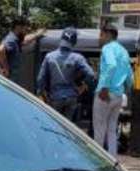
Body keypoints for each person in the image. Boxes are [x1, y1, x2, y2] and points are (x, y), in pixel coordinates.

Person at [36, 27, 96, 122]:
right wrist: (82, 87)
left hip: (55, 97)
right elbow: (91, 74)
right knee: (67, 125)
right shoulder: (77, 58)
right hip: (71, 97)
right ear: (74, 41)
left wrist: (40, 93)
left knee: (55, 124)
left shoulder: (49, 56)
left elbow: (41, 78)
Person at [92, 23, 133, 158]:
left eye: (101, 34)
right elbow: (129, 75)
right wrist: (127, 90)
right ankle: (113, 159)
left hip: (105, 93)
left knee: (99, 129)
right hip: (118, 95)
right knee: (111, 130)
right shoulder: (124, 51)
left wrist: (104, 87)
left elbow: (111, 65)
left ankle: (98, 161)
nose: (99, 38)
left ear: (108, 35)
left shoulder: (107, 48)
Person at [0, 17, 45, 84]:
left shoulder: (16, 39)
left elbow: (25, 40)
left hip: (10, 78)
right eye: (25, 28)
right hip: (7, 79)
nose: (27, 30)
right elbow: (0, 50)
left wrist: (37, 34)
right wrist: (6, 68)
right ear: (18, 27)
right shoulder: (11, 39)